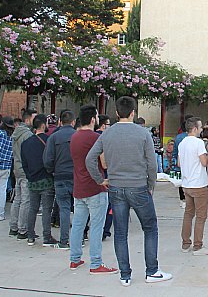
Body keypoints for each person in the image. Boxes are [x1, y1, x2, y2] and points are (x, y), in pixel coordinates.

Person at [86, 96, 172, 286]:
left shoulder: (106, 134)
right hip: (138, 186)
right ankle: (151, 271)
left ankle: (125, 274)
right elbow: (151, 164)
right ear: (133, 112)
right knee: (150, 228)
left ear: (117, 113)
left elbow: (90, 159)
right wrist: (150, 186)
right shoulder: (143, 134)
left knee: (120, 232)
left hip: (115, 187)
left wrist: (100, 180)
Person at [68, 105, 117, 274]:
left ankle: (75, 259)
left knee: (78, 225)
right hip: (96, 187)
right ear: (92, 119)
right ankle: (96, 263)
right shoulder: (96, 138)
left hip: (79, 186)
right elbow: (104, 163)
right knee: (96, 226)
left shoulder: (74, 137)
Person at [179, 116, 208, 255]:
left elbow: (179, 163)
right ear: (195, 128)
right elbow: (204, 162)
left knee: (188, 214)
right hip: (199, 184)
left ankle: (185, 243)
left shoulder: (182, 143)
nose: (201, 130)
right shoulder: (198, 143)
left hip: (187, 183)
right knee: (201, 216)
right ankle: (198, 246)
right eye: (200, 128)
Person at [22, 114, 58, 247]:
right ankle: (46, 236)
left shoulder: (25, 143)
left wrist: (29, 175)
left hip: (32, 180)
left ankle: (30, 236)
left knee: (33, 208)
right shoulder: (49, 141)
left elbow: (24, 163)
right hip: (46, 179)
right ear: (43, 125)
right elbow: (51, 160)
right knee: (47, 209)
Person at [43, 110, 76, 249]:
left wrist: (53, 170)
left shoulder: (53, 138)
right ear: (73, 122)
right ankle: (79, 238)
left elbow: (47, 159)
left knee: (64, 208)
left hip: (60, 177)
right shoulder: (77, 136)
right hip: (76, 177)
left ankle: (64, 241)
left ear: (60, 122)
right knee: (80, 208)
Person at [9, 109, 36, 239]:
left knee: (17, 199)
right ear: (27, 119)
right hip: (25, 170)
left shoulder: (16, 133)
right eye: (33, 118)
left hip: (17, 168)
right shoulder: (28, 135)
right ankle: (22, 229)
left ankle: (13, 226)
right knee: (26, 200)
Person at [172, 114, 193, 209]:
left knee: (181, 182)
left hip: (180, 162)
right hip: (190, 162)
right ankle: (190, 199)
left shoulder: (178, 137)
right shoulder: (192, 137)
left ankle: (182, 200)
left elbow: (175, 152)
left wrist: (174, 162)